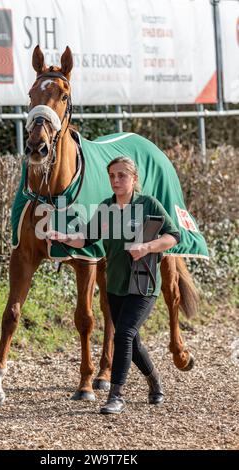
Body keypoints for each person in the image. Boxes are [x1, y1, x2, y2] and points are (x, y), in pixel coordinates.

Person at [48, 156, 180, 414]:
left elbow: (174, 236)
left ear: (133, 178)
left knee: (123, 335)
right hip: (115, 286)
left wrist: (147, 247)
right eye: (112, 176)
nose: (116, 181)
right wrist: (63, 237)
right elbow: (87, 237)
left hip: (143, 285)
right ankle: (154, 381)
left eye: (121, 175)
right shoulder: (106, 207)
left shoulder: (148, 204)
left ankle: (116, 395)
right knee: (132, 341)